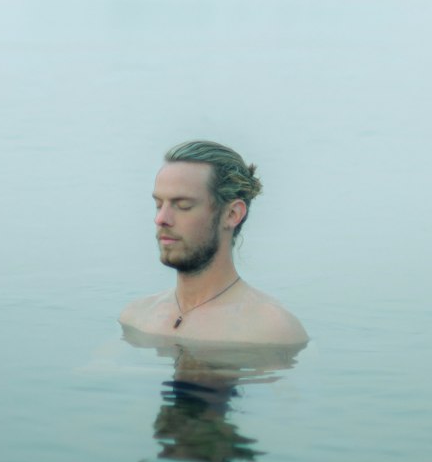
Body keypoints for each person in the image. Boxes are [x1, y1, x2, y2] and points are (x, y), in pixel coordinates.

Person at [119, 140, 308, 346]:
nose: (161, 219)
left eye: (183, 206)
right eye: (158, 205)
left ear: (232, 214)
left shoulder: (272, 331)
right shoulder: (136, 317)